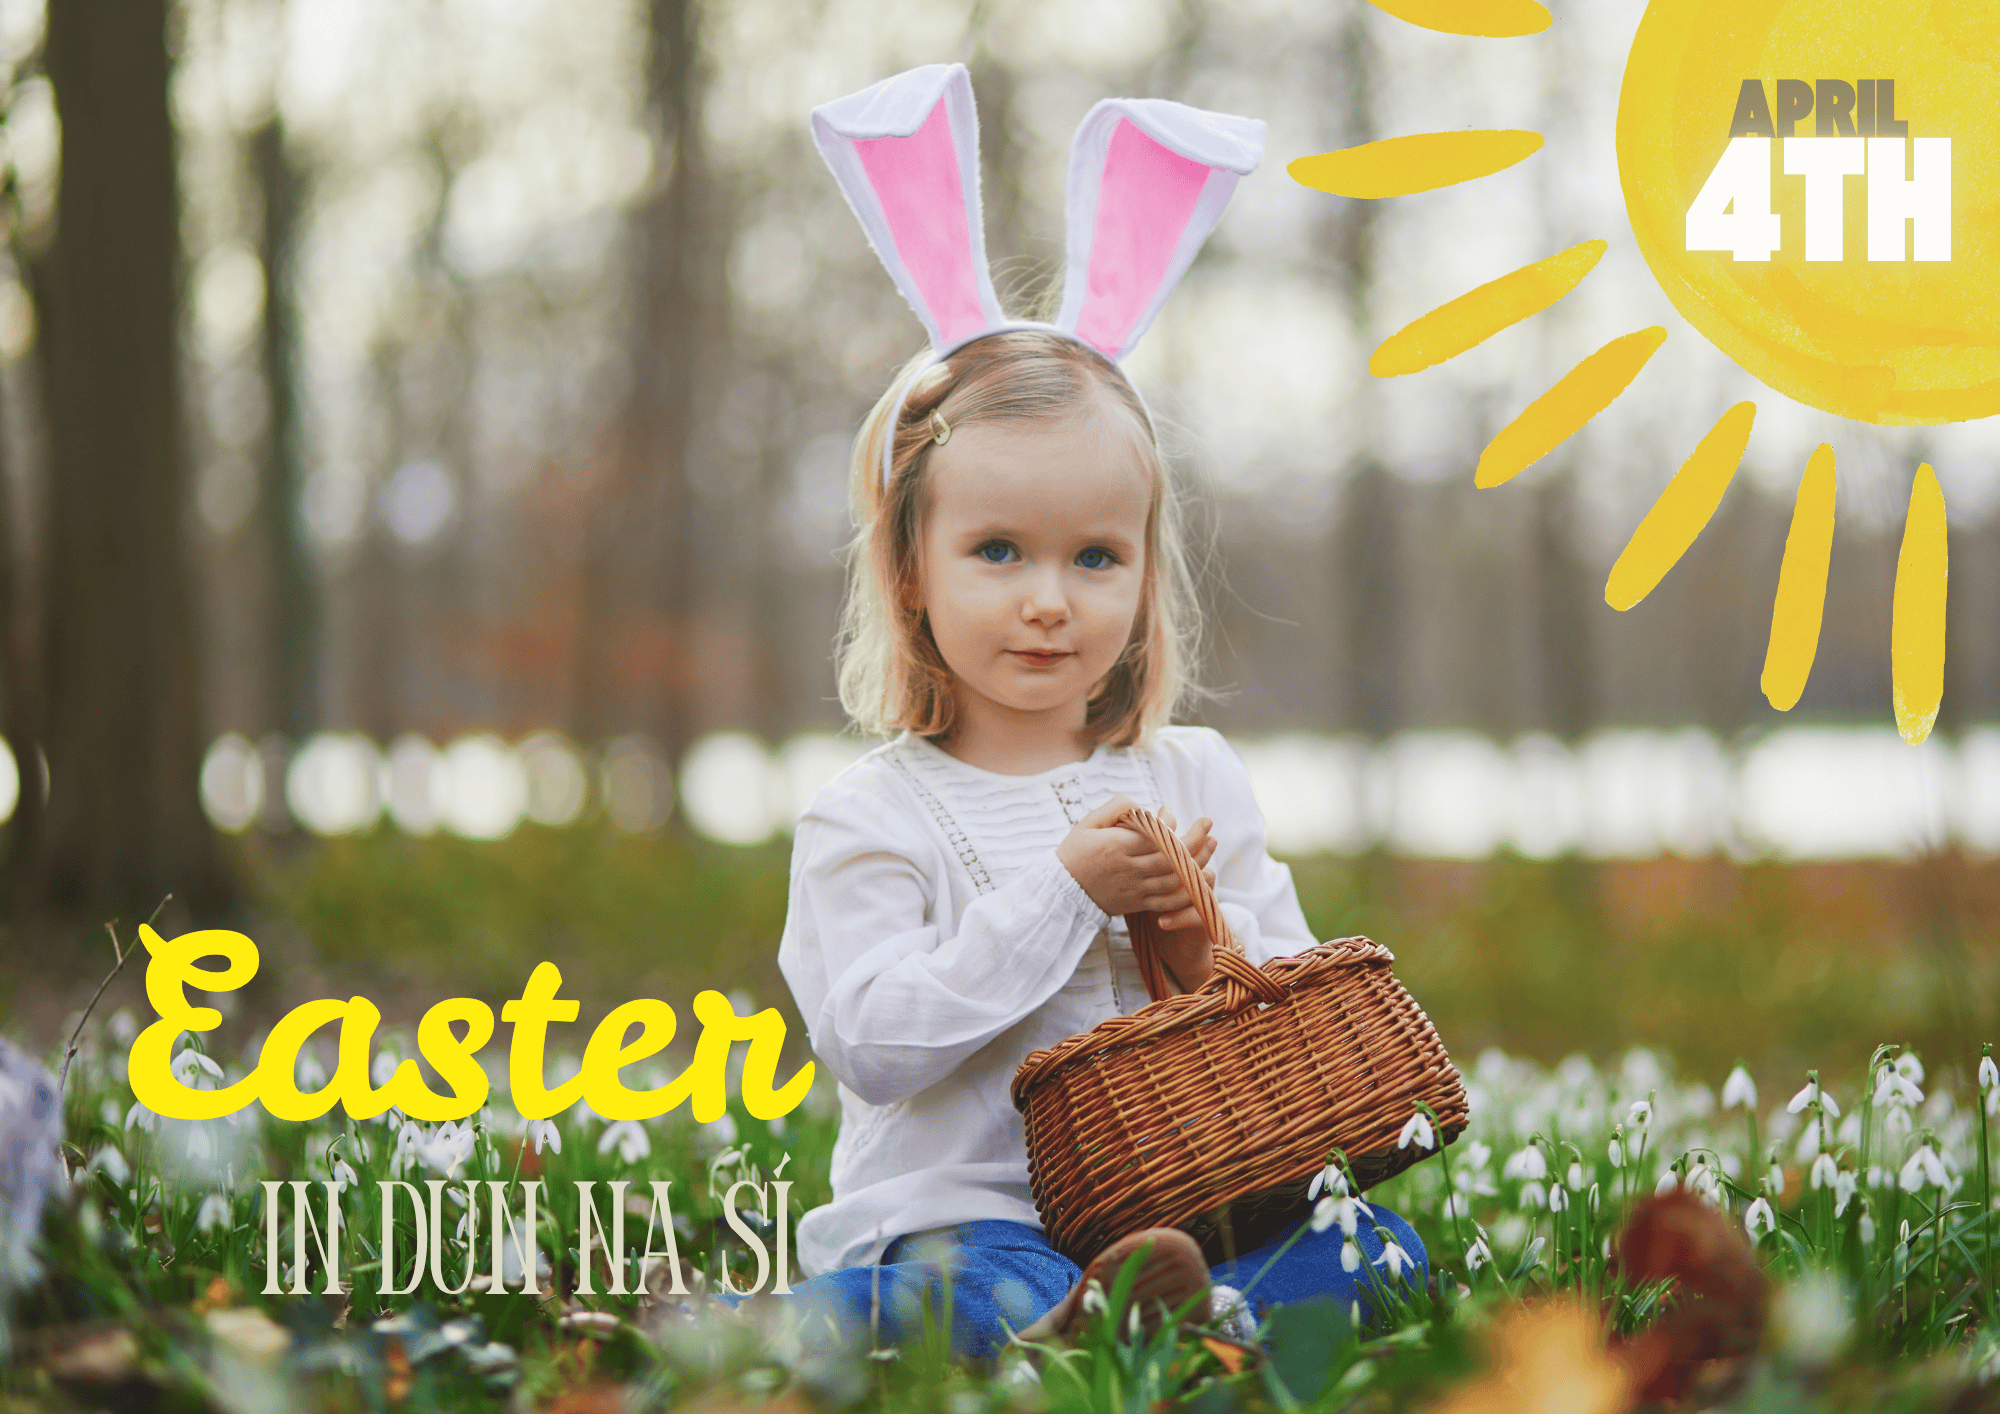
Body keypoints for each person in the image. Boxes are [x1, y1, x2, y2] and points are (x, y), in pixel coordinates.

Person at [759, 63, 1428, 1360]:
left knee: (1374, 1247)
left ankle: (1152, 1321)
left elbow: (1272, 1005)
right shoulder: (868, 815)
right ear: (911, 568)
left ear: (1141, 566)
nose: (1049, 601)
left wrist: (1201, 938)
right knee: (959, 1285)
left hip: (1194, 1202)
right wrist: (1063, 892)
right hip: (970, 1216)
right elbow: (878, 1043)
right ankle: (1106, 1335)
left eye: (1094, 557)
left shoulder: (1195, 774)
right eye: (998, 551)